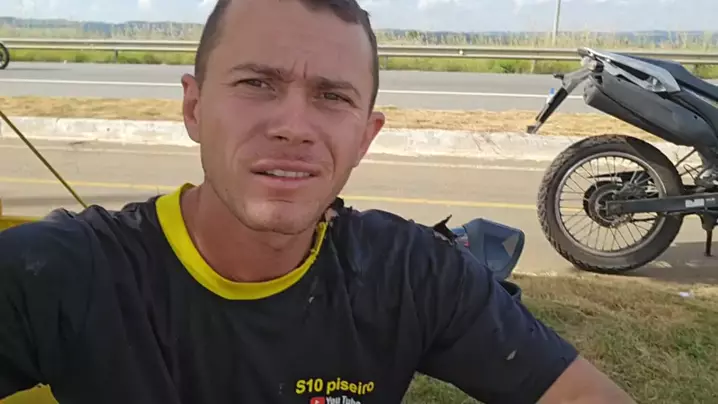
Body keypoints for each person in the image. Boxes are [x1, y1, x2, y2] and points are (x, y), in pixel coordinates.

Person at [0, 0, 637, 403]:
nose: (293, 126)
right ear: (194, 107)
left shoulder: (412, 274)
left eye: (332, 97)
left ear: (365, 136)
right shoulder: (61, 271)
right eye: (257, 83)